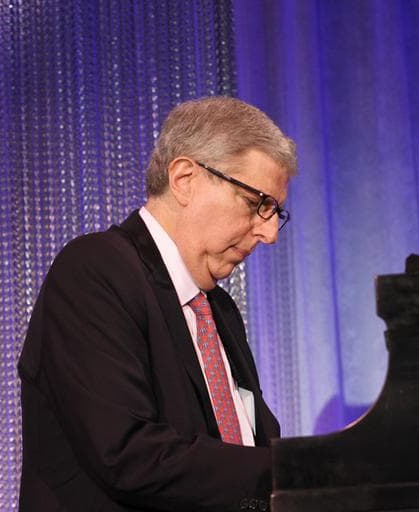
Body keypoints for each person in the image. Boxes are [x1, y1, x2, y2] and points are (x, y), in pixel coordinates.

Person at [18, 96, 297, 511]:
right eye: (258, 204)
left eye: (276, 212)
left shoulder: (217, 308)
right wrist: (295, 469)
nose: (270, 232)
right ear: (185, 178)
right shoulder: (94, 271)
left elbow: (247, 441)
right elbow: (127, 453)